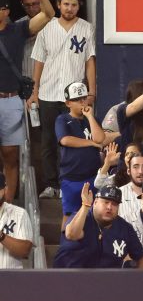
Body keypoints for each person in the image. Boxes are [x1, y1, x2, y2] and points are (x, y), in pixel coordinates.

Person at [30, 0, 94, 199]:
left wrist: (92, 92)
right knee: (48, 140)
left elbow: (89, 62)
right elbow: (39, 60)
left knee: (73, 140)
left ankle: (68, 181)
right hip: (49, 92)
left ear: (79, 6)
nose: (69, 8)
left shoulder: (86, 28)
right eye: (66, 4)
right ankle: (51, 184)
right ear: (58, 4)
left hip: (75, 96)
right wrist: (35, 90)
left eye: (74, 5)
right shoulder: (47, 28)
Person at [0, 0, 53, 201]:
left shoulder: (18, 30)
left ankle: (8, 206)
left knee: (11, 157)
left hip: (11, 100)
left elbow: (49, 14)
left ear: (5, 11)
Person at [56, 81, 117, 218]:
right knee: (70, 215)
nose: (82, 102)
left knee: (95, 214)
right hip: (71, 176)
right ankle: (66, 240)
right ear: (68, 103)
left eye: (83, 98)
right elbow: (65, 140)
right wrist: (91, 143)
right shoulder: (63, 119)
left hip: (93, 176)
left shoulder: (92, 119)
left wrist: (89, 117)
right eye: (77, 100)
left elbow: (100, 139)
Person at [53, 184, 143, 268]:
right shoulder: (82, 217)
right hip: (69, 279)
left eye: (114, 204)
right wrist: (85, 205)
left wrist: (138, 283)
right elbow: (71, 234)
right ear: (95, 203)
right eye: (106, 202)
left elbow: (141, 258)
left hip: (107, 282)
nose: (109, 207)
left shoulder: (124, 228)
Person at [0, 172, 33, 268]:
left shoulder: (20, 213)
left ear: (5, 190)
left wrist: (1, 236)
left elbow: (25, 250)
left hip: (11, 279)